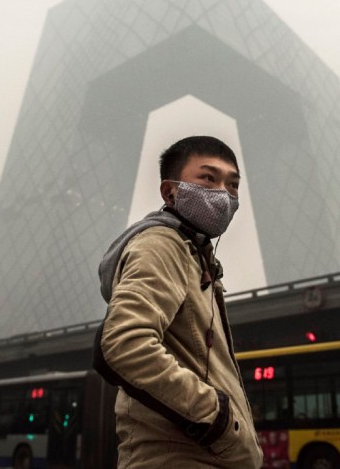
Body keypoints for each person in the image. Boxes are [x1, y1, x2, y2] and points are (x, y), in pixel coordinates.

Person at [93, 136, 263, 468]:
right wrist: (217, 417)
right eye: (209, 178)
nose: (224, 194)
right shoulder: (162, 245)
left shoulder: (195, 254)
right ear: (170, 191)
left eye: (233, 184)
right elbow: (125, 344)